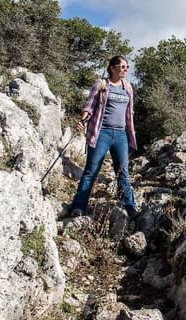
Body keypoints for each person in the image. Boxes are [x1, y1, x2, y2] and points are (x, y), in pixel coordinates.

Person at [68, 55, 137, 216]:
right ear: (113, 68)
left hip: (121, 135)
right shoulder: (101, 84)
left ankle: (129, 206)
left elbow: (130, 112)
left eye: (127, 67)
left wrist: (130, 132)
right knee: (91, 170)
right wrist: (82, 121)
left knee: (123, 172)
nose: (125, 70)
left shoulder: (128, 87)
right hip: (102, 133)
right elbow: (89, 106)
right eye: (122, 67)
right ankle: (78, 206)